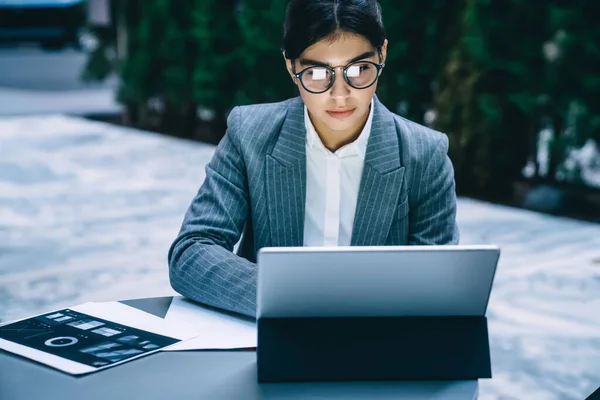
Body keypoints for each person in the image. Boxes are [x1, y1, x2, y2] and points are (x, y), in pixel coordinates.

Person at [168, 0, 459, 317]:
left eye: (360, 70)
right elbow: (192, 251)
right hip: (275, 336)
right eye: (317, 73)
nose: (340, 95)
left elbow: (434, 283)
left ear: (382, 54)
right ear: (291, 67)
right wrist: (297, 302)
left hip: (374, 347)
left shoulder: (425, 154)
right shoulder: (248, 134)